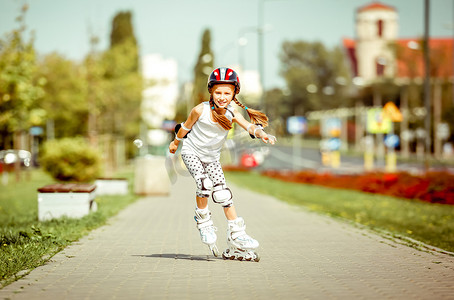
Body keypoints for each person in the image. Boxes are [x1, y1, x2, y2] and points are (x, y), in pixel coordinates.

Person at [168, 67, 276, 262]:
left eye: (227, 92)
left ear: (234, 93)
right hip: (191, 152)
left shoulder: (233, 112)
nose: (222, 97)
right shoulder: (200, 110)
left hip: (212, 158)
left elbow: (249, 126)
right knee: (204, 185)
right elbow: (185, 127)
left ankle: (236, 232)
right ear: (211, 91)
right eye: (218, 92)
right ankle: (203, 220)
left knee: (223, 193)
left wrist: (263, 134)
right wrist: (175, 142)